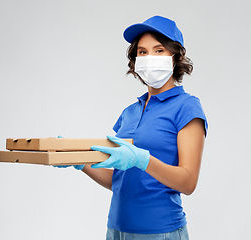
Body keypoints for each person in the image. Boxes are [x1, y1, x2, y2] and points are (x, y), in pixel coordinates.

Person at [57, 15, 208, 240]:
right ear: (135, 60)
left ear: (175, 57)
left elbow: (188, 182)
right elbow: (118, 181)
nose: (149, 57)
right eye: (142, 52)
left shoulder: (187, 107)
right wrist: (80, 162)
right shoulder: (130, 112)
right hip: (117, 229)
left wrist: (142, 160)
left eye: (159, 50)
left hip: (160, 232)